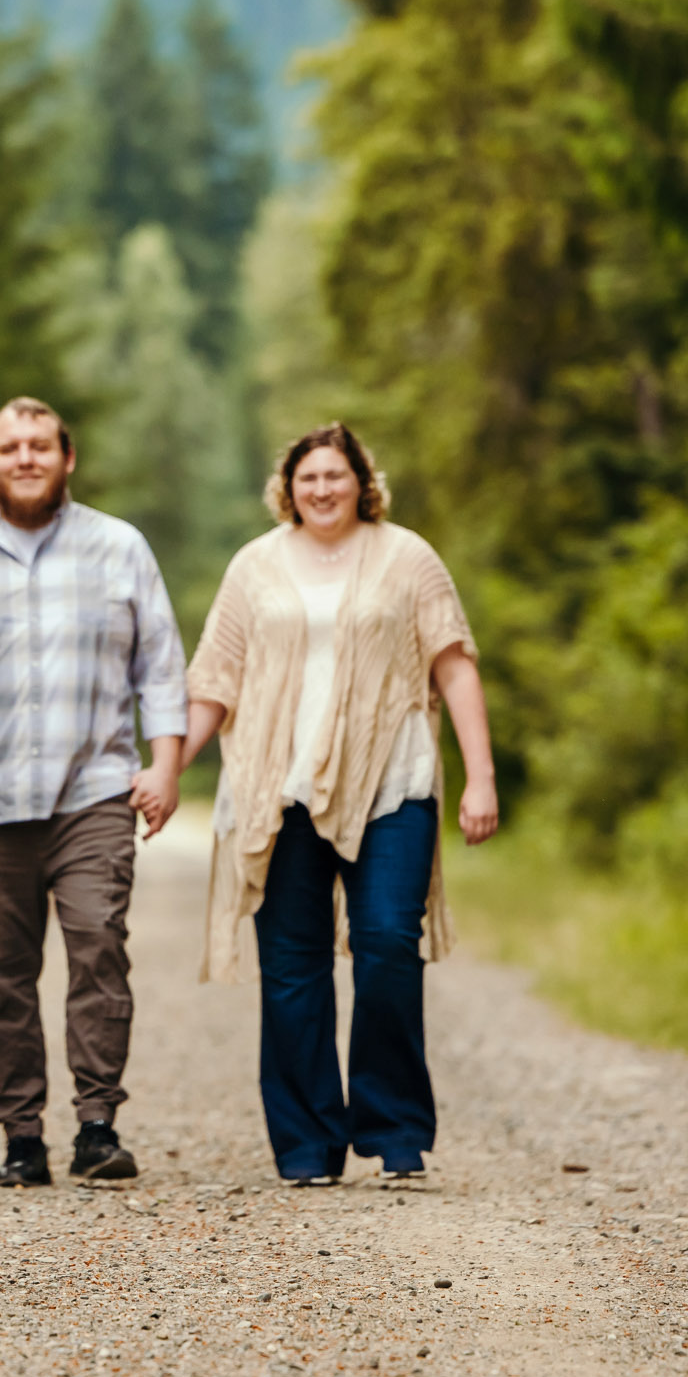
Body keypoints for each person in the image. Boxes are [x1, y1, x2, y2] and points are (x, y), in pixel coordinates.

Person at [180, 422, 500, 1185]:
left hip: (393, 780)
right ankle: (306, 1144)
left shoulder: (408, 556)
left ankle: (393, 1131)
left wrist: (481, 777)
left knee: (388, 941)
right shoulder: (254, 565)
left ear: (362, 482)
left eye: (335, 475)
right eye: (307, 477)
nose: (321, 488)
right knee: (293, 964)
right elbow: (214, 682)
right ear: (288, 488)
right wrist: (167, 772)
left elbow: (453, 667)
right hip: (277, 786)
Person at [0, 396, 188, 1189]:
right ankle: (21, 1135)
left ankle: (98, 1125)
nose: (26, 457)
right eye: (10, 447)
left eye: (41, 446)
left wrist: (164, 767)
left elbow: (160, 666)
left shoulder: (119, 548)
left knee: (98, 948)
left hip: (93, 793)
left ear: (67, 459)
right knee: (2, 970)